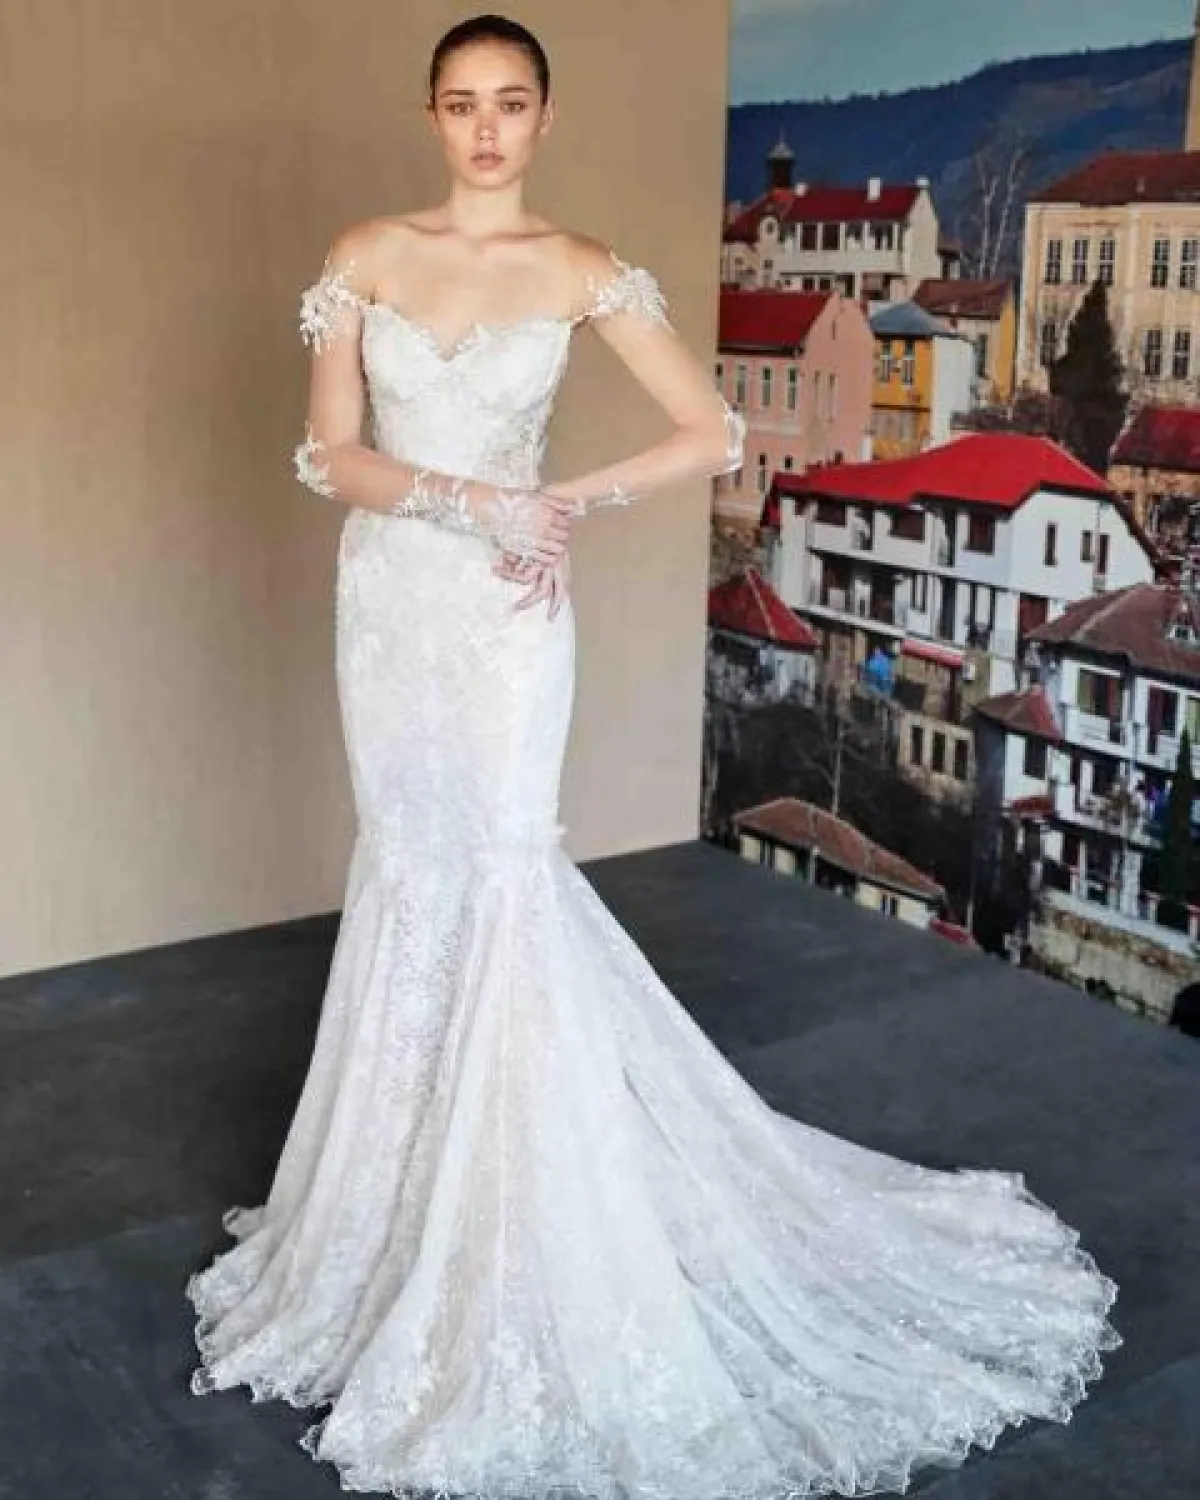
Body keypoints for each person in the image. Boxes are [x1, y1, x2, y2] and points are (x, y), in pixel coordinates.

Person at [185, 14, 1121, 1497]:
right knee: (410, 867)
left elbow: (708, 432)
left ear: (543, 118)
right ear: (431, 114)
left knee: (502, 875)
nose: (484, 128)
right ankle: (387, 1214)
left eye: (509, 103)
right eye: (460, 103)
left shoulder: (577, 267)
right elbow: (331, 456)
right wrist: (470, 501)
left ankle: (516, 1226)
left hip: (507, 620)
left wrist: (559, 502)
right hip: (393, 604)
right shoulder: (364, 253)